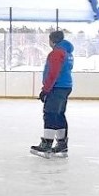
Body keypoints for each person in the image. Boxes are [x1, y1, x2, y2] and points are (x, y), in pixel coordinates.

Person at [31, 30, 74, 158]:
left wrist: (46, 90)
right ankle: (62, 144)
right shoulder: (67, 52)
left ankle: (47, 144)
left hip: (57, 87)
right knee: (59, 114)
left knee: (50, 113)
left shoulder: (57, 52)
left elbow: (53, 73)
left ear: (52, 40)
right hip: (65, 86)